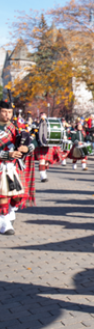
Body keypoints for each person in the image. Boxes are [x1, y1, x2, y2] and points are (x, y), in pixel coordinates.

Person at [0, 101, 36, 236]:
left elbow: (33, 141)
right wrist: (6, 154)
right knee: (2, 194)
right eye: (4, 112)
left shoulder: (16, 127)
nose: (7, 115)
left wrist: (27, 148)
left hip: (14, 166)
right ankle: (4, 221)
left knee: (18, 195)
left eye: (9, 112)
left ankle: (9, 211)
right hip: (0, 165)